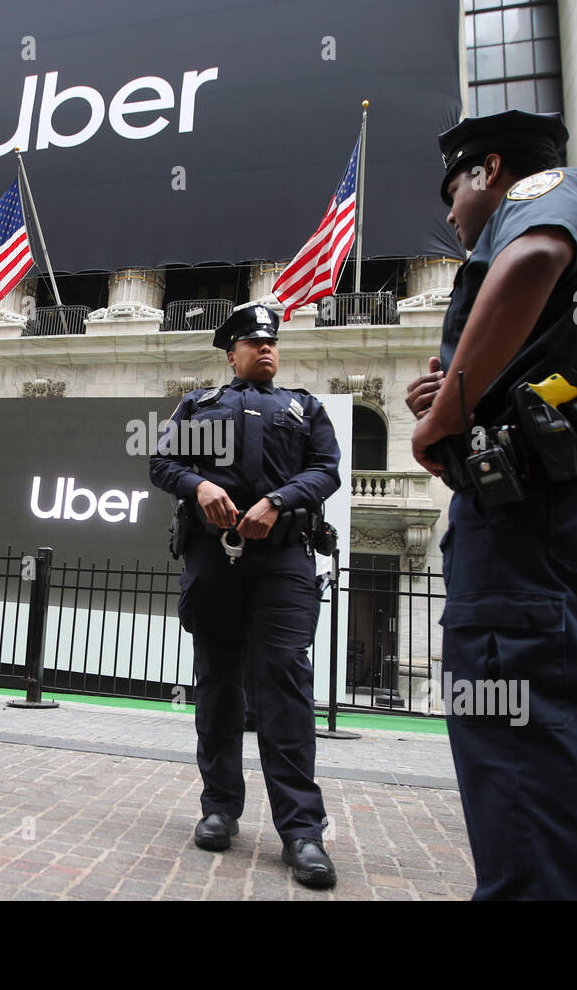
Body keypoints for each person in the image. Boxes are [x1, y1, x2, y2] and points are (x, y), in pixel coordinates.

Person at [405, 109, 577, 899]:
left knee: (519, 730)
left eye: (453, 193)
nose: (451, 216)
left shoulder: (549, 191)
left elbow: (534, 258)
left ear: (487, 170)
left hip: (533, 513)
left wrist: (449, 407)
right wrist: (460, 384)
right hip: (575, 502)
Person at [149, 302, 342, 889]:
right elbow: (160, 462)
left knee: (284, 678)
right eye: (253, 343)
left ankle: (302, 832)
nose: (266, 350)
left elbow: (328, 470)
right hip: (214, 559)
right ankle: (219, 809)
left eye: (272, 343)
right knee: (217, 681)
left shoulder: (305, 407)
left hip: (284, 559)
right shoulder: (200, 406)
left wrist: (280, 501)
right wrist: (199, 483)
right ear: (230, 352)